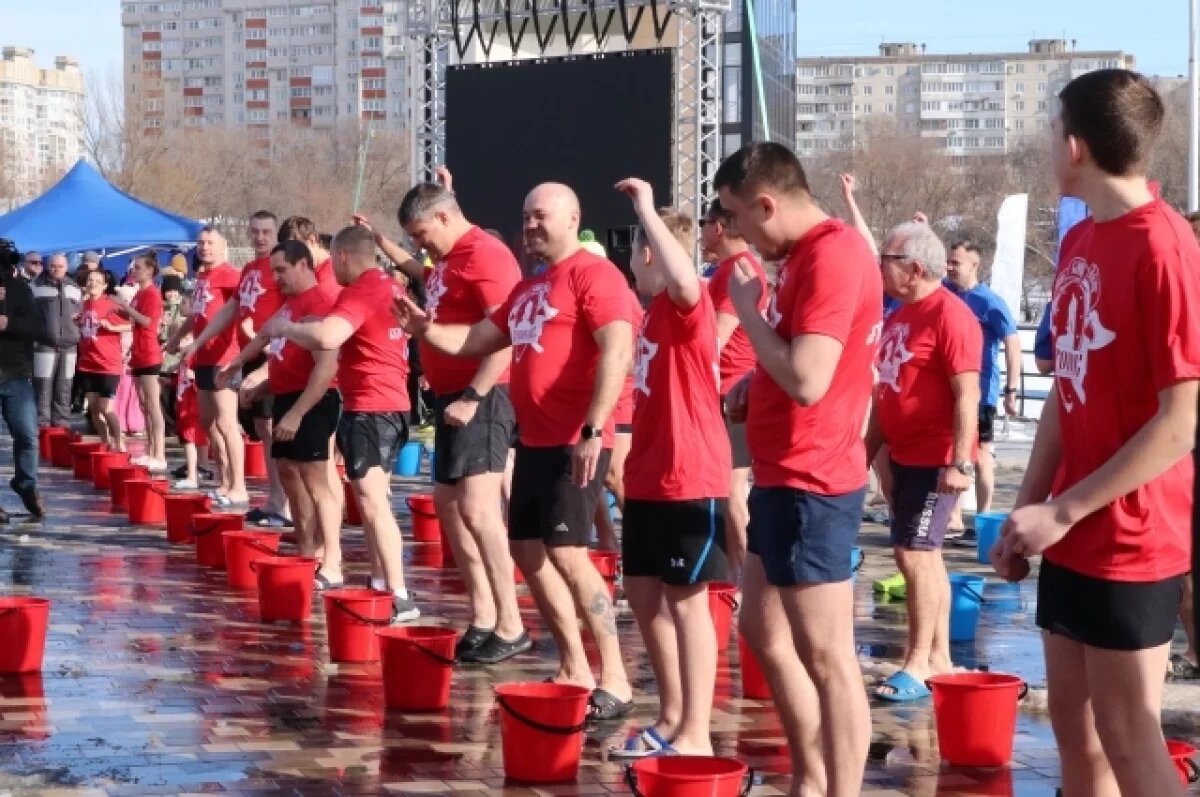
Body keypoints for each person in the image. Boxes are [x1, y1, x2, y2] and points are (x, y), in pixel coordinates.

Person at [991, 69, 1200, 797]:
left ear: (1075, 145)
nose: (1049, 146)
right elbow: (1064, 396)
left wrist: (1064, 508)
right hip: (1070, 535)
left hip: (1134, 540)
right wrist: (1028, 509)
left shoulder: (1166, 247)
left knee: (1131, 743)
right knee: (1077, 744)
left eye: (1053, 132)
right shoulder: (1082, 241)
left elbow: (1180, 422)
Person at [394, 182, 635, 719]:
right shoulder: (532, 288)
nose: (530, 226)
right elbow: (477, 340)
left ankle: (615, 677)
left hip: (576, 440)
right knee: (529, 552)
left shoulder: (596, 276)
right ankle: (574, 665)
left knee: (570, 554)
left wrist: (595, 429)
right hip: (534, 441)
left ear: (573, 217)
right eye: (525, 216)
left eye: (541, 216)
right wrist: (426, 328)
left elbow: (617, 348)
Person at [716, 142, 881, 797]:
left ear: (767, 202)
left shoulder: (834, 256)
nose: (735, 235)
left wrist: (749, 311)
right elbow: (806, 360)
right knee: (761, 627)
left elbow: (810, 378)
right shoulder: (806, 257)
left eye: (737, 218)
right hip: (784, 475)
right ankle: (811, 777)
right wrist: (757, 382)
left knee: (828, 656)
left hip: (816, 480)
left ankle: (840, 787)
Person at [363, 180, 530, 663]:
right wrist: (383, 243)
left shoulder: (487, 255)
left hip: (484, 393)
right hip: (449, 395)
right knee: (449, 506)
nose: (419, 244)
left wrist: (475, 395)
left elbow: (508, 332)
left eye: (420, 233)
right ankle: (483, 615)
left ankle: (511, 622)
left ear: (443, 217)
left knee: (478, 509)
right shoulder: (448, 259)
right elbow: (420, 270)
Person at [609, 179, 730, 757]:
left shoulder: (689, 302)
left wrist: (644, 207)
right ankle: (673, 714)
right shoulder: (649, 313)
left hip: (690, 474)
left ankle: (698, 735)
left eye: (634, 249)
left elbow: (685, 277)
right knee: (640, 591)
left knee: (687, 600)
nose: (629, 260)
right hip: (649, 476)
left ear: (650, 251)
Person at [262, 225, 419, 622]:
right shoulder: (390, 285)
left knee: (372, 501)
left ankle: (401, 595)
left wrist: (288, 328)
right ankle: (381, 583)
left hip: (372, 406)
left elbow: (329, 336)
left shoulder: (363, 290)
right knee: (370, 501)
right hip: (390, 403)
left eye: (332, 260)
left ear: (344, 257)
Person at [865, 222, 982, 700]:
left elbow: (966, 394)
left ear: (913, 268)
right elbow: (884, 393)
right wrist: (867, 453)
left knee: (916, 554)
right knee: (918, 555)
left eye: (886, 261)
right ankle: (937, 659)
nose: (879, 270)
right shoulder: (900, 315)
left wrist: (960, 462)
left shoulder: (950, 316)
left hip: (936, 459)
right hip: (904, 455)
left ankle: (920, 660)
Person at [219, 241, 342, 585]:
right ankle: (308, 551)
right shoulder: (290, 304)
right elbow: (266, 337)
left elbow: (325, 368)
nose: (276, 278)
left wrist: (298, 413)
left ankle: (332, 561)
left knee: (316, 481)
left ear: (304, 264)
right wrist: (243, 368)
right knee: (289, 475)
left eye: (282, 270)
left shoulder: (319, 303)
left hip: (313, 402)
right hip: (285, 395)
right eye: (273, 271)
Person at [183, 212, 290, 526]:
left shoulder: (278, 266)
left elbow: (294, 303)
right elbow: (230, 310)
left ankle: (280, 502)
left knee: (270, 430)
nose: (260, 238)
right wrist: (197, 341)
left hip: (273, 351)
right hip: (249, 353)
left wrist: (268, 341)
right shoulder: (250, 269)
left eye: (266, 232)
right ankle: (272, 499)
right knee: (260, 428)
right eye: (255, 232)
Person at [701, 198, 767, 579]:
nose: (702, 231)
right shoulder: (725, 269)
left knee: (731, 488)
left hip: (732, 394)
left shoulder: (738, 270)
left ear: (720, 227)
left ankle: (740, 579)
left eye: (705, 222)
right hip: (727, 393)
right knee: (727, 489)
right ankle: (731, 573)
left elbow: (716, 338)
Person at [944, 240, 1022, 536]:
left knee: (981, 454)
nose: (950, 268)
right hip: (950, 390)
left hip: (981, 391)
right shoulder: (944, 292)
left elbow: (1013, 345)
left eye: (956, 263)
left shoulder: (989, 301)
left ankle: (983, 520)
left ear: (974, 265)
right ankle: (953, 518)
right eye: (948, 262)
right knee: (953, 452)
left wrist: (1011, 392)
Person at [167, 228, 248, 508]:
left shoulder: (230, 275)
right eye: (201, 243)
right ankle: (225, 480)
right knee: (207, 422)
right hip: (202, 357)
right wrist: (177, 337)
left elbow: (238, 309)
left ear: (222, 247)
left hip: (224, 355)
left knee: (227, 423)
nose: (205, 248)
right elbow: (198, 314)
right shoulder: (202, 277)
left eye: (210, 243)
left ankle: (239, 485)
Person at [0, 242, 45, 523]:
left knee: (27, 434)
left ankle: (26, 484)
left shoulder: (20, 291)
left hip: (15, 373)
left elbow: (36, 327)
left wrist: (9, 323)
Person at [112, 254, 167, 470]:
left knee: (153, 405)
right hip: (138, 352)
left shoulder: (152, 294)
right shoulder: (139, 293)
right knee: (144, 404)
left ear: (151, 270)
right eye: (133, 267)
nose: (134, 270)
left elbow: (147, 321)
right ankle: (151, 450)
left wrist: (125, 307)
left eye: (139, 267)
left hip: (149, 353)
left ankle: (159, 453)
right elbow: (134, 319)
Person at [75, 270, 131, 452]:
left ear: (105, 286)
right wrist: (79, 321)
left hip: (108, 364)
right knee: (93, 408)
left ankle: (119, 441)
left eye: (97, 281)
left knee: (106, 408)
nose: (92, 283)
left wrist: (113, 326)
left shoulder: (110, 304)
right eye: (90, 280)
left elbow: (133, 324)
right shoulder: (85, 304)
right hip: (88, 362)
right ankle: (105, 441)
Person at [31, 253, 82, 429]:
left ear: (66, 268)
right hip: (44, 345)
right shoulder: (35, 286)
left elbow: (80, 313)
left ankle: (62, 426)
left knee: (65, 387)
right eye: (53, 266)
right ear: (47, 266)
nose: (56, 269)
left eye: (60, 266)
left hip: (69, 346)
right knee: (43, 387)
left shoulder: (75, 288)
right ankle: (42, 426)